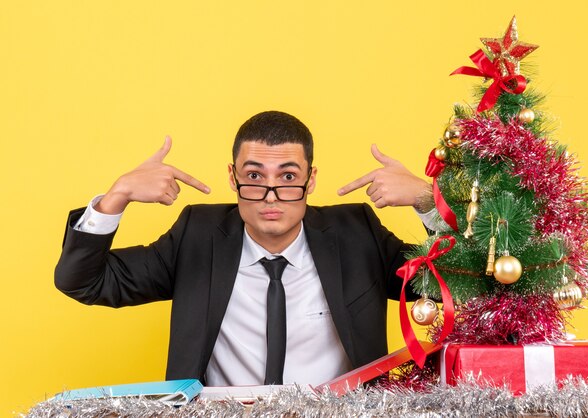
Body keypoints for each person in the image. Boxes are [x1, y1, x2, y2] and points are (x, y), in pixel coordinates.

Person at [55, 111, 433, 386]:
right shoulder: (197, 235)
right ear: (232, 178)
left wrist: (429, 202)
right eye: (254, 176)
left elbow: (457, 285)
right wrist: (116, 196)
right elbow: (84, 282)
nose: (271, 196)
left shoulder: (356, 234)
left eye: (288, 177)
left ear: (311, 179)